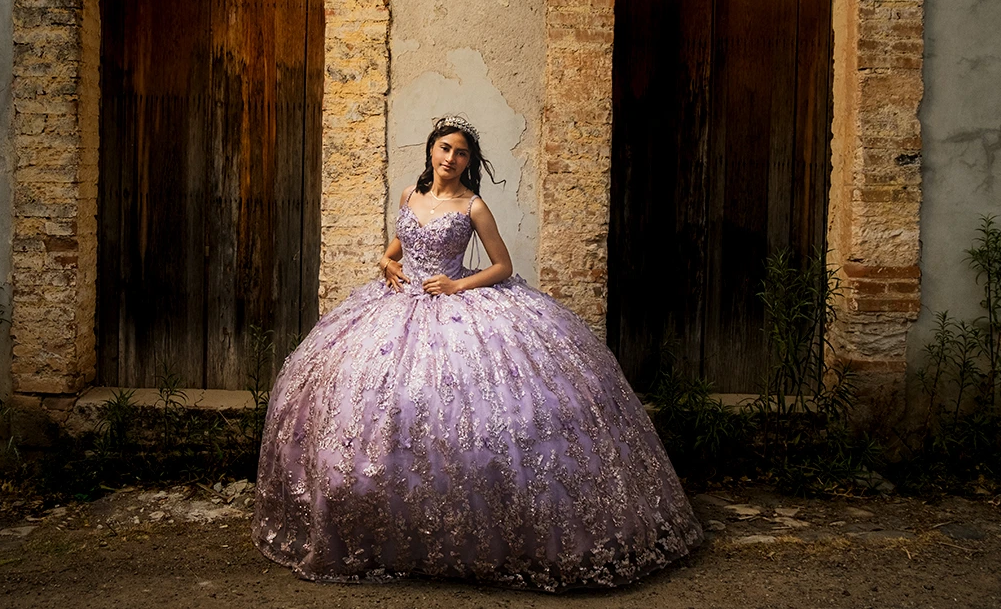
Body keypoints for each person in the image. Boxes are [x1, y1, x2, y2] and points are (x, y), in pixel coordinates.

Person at [252, 115, 702, 591]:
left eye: (461, 152)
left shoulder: (473, 206)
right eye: (445, 148)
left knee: (477, 408)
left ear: (470, 161)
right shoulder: (410, 195)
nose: (451, 158)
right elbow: (397, 249)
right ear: (431, 150)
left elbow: (503, 266)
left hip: (454, 298)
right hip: (397, 306)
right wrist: (387, 263)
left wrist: (455, 285)